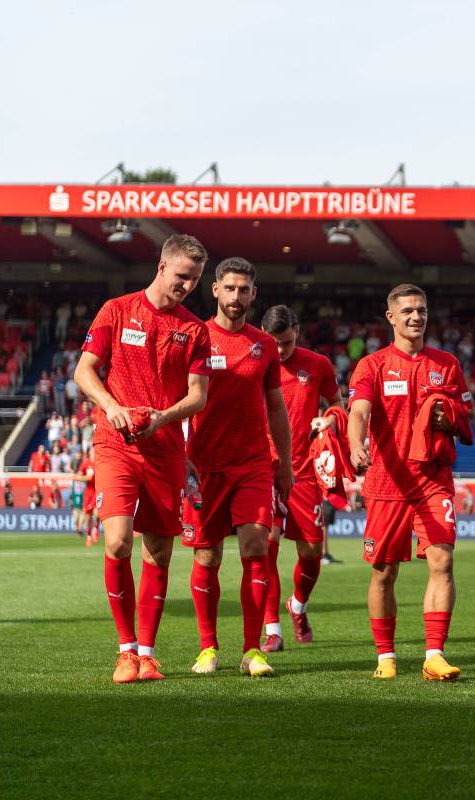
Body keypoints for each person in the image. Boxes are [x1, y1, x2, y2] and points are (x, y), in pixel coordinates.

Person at [73, 234, 211, 683]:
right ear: (161, 266)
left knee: (159, 551)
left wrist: (162, 417)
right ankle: (125, 650)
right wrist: (112, 408)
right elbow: (84, 370)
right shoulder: (116, 310)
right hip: (116, 444)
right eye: (182, 276)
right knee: (117, 541)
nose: (187, 286)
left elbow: (199, 396)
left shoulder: (194, 329)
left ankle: (147, 655)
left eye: (194, 280)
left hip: (166, 448)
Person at [348, 283, 472, 682]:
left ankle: (434, 654)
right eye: (407, 311)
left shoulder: (447, 363)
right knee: (384, 572)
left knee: (443, 561)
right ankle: (386, 655)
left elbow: (465, 413)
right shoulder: (372, 365)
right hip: (387, 482)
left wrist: (448, 417)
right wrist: (355, 443)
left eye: (421, 310)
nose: (416, 317)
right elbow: (360, 410)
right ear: (391, 317)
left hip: (434, 479)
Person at [183, 257, 292, 678]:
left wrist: (284, 464)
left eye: (243, 289)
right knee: (207, 557)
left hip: (251, 464)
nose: (236, 296)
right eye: (229, 288)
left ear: (253, 293)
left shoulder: (263, 345)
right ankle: (208, 648)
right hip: (204, 465)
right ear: (214, 290)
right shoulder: (194, 337)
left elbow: (276, 407)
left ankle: (252, 649)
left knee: (255, 546)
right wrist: (181, 455)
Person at [258, 305, 343, 653]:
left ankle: (297, 605)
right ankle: (272, 630)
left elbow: (338, 403)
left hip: (304, 473)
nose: (280, 351)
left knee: (310, 553)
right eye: (274, 343)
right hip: (262, 469)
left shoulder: (318, 364)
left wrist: (331, 419)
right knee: (266, 547)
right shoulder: (254, 361)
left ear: (297, 330)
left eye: (286, 343)